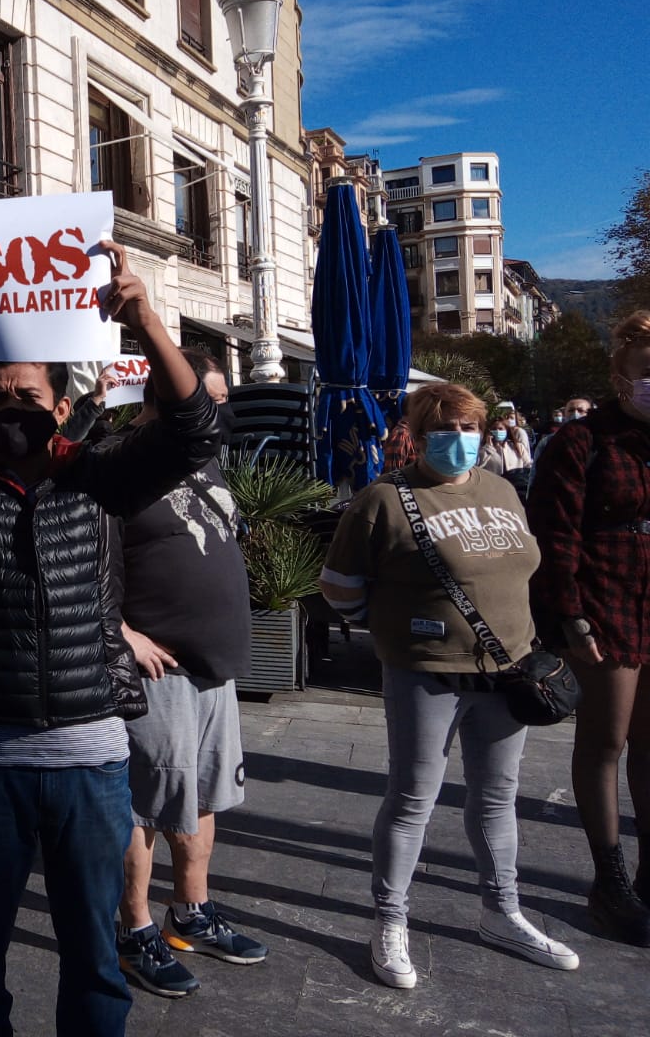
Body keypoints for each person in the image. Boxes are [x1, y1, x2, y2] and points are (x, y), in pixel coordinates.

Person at [0, 245, 220, 1035]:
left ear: (61, 408)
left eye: (27, 394)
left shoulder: (98, 479)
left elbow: (194, 433)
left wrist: (146, 320)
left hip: (90, 766)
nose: (10, 406)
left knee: (93, 953)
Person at [321, 382, 580, 991]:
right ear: (417, 433)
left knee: (497, 796)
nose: (460, 440)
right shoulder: (383, 500)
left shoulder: (500, 489)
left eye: (470, 428)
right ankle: (389, 920)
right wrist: (401, 631)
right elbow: (339, 589)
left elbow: (527, 563)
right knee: (413, 798)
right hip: (427, 673)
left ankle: (502, 910)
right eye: (446, 429)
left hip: (508, 671)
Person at [111, 350, 266, 998]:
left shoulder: (203, 460)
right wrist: (123, 635)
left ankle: (191, 910)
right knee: (144, 804)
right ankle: (135, 927)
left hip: (213, 667)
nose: (220, 412)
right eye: (211, 398)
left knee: (201, 796)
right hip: (156, 671)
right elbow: (78, 559)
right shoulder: (116, 466)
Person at [528, 311, 650, 945]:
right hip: (604, 601)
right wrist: (569, 615)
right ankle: (610, 880)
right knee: (608, 741)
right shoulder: (583, 441)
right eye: (647, 370)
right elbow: (555, 536)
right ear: (621, 375)